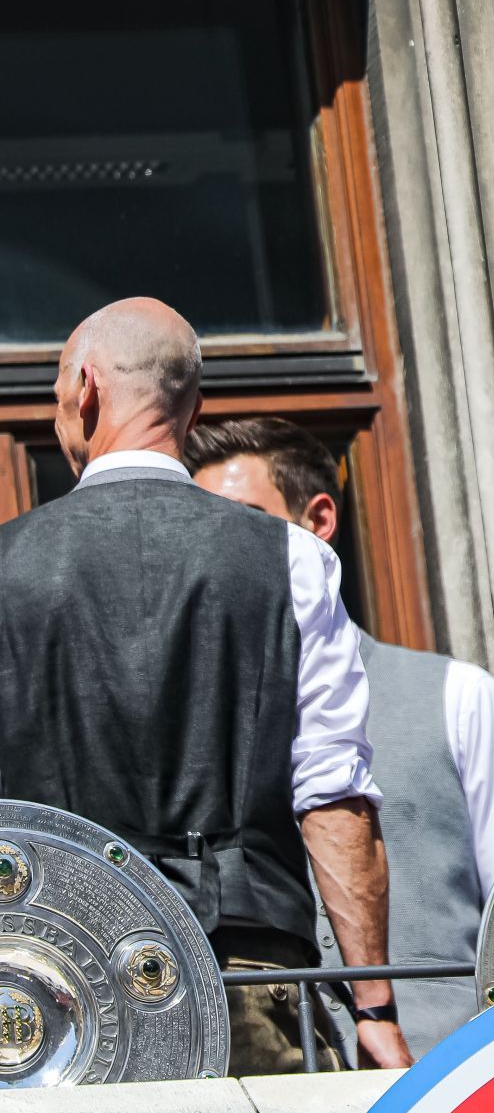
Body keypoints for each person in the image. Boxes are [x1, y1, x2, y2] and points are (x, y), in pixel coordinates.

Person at [0, 299, 410, 1072]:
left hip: (52, 989)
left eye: (55, 389)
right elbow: (332, 797)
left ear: (85, 389)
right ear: (192, 409)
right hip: (246, 968)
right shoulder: (292, 558)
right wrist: (374, 1004)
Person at [185, 416, 494, 1058]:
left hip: (446, 1086)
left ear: (319, 521)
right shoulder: (188, 725)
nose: (220, 553)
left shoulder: (457, 697)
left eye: (244, 522)